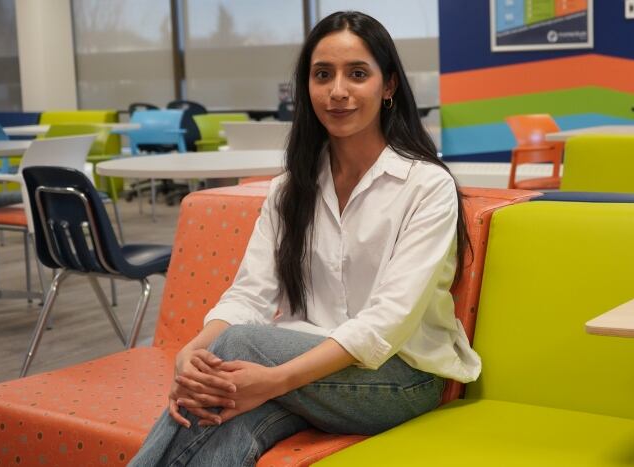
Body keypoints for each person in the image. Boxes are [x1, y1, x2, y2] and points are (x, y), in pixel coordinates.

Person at [130, 10, 480, 466]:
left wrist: (271, 380)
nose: (338, 91)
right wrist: (191, 355)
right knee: (225, 425)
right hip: (315, 374)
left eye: (357, 74)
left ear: (388, 85)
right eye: (322, 75)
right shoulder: (290, 188)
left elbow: (385, 324)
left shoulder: (425, 185)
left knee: (238, 346)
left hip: (401, 378)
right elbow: (249, 293)